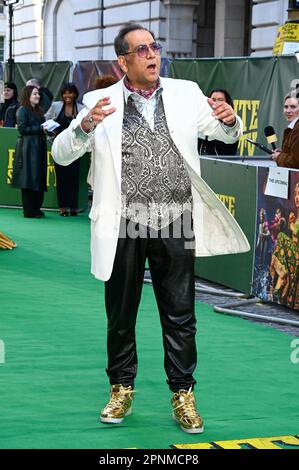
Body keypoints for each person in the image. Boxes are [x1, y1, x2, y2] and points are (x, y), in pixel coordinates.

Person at [52, 23, 249, 434]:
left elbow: (223, 132)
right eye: (141, 50)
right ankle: (121, 387)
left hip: (176, 217)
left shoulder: (185, 93)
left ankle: (183, 393)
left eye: (155, 47)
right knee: (120, 314)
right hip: (122, 221)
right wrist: (85, 127)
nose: (152, 54)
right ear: (122, 61)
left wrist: (230, 123)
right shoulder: (97, 101)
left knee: (180, 314)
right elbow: (62, 154)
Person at [45, 82, 83, 216]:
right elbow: (46, 119)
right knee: (61, 178)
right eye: (65, 92)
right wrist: (50, 129)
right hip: (59, 147)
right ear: (62, 94)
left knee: (74, 178)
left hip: (75, 148)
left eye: (71, 92)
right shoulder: (56, 106)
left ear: (75, 94)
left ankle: (73, 207)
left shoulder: (81, 107)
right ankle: (62, 207)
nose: (68, 95)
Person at [11, 85, 47, 218]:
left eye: (38, 94)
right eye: (35, 94)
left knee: (37, 177)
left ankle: (36, 209)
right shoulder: (22, 110)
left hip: (38, 148)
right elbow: (22, 129)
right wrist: (40, 128)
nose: (38, 96)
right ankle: (29, 211)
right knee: (28, 179)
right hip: (27, 149)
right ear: (28, 96)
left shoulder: (39, 111)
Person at [269, 182, 299, 309]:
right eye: (295, 194)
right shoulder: (295, 217)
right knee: (281, 238)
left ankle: (280, 282)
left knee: (281, 237)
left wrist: (292, 226)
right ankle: (280, 280)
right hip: (293, 254)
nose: (297, 197)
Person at [198, 89, 239, 156]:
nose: (216, 103)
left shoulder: (231, 125)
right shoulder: (201, 122)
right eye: (213, 100)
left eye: (220, 100)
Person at [272, 94, 299, 168]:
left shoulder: (297, 128)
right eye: (286, 107)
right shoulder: (294, 127)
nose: (288, 111)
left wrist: (279, 157)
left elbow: (295, 162)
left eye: (293, 107)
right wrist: (283, 153)